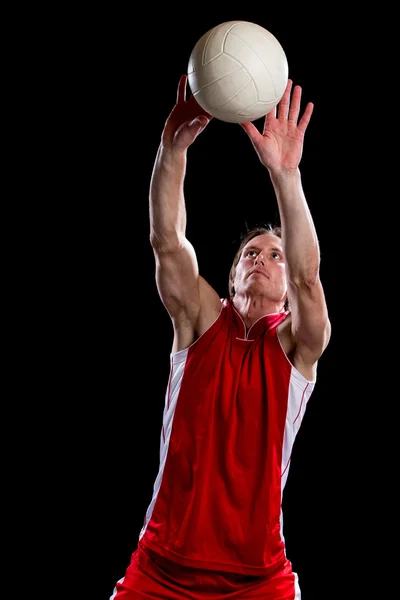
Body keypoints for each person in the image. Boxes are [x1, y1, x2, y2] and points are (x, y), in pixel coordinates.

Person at [110, 74, 331, 600]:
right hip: (161, 568)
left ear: (284, 289)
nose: (262, 259)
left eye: (274, 254)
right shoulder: (201, 322)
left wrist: (285, 176)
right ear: (230, 280)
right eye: (250, 254)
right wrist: (172, 150)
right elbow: (167, 240)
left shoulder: (299, 344)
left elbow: (307, 276)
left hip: (260, 578)